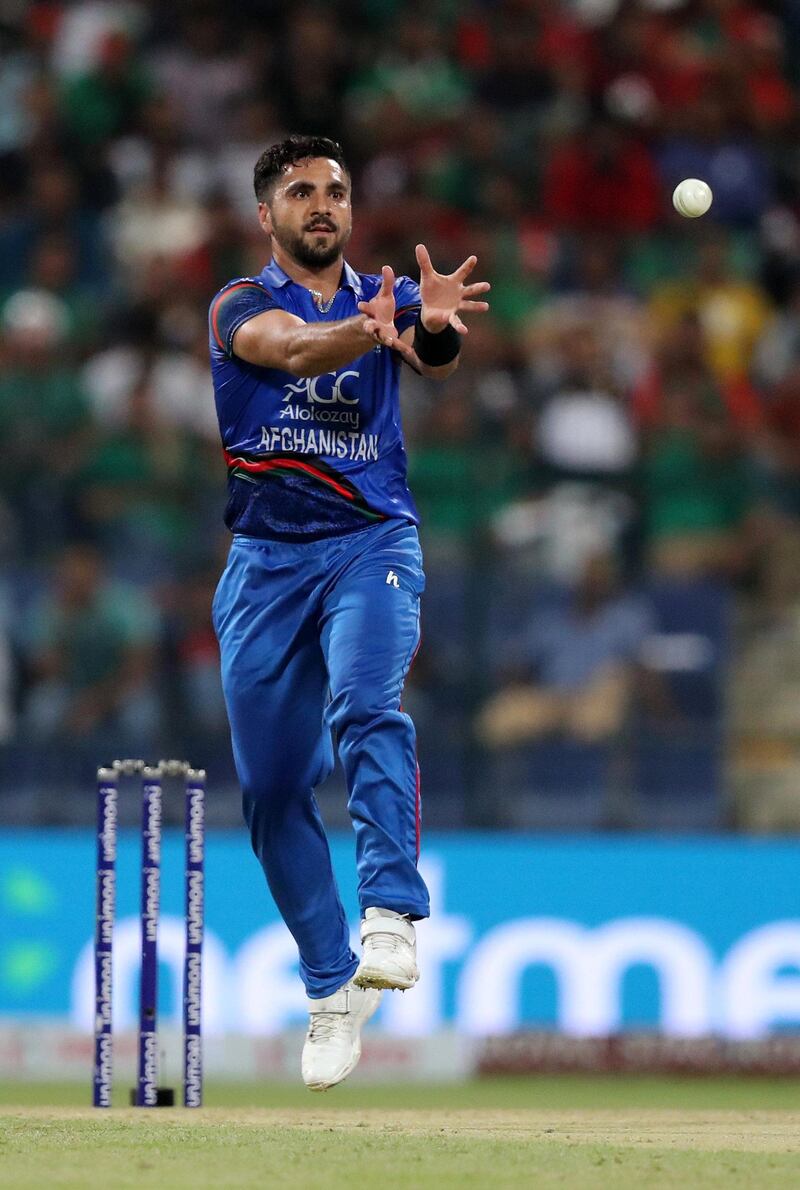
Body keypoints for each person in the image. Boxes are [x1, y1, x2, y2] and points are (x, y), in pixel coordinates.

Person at [208, 135, 489, 1091]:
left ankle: (392, 915)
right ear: (267, 215)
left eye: (335, 191)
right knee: (273, 792)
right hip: (265, 566)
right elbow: (290, 353)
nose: (322, 205)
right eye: (301, 192)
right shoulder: (238, 307)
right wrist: (374, 330)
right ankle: (332, 989)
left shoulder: (386, 293)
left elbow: (438, 352)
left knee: (367, 705)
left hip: (373, 543)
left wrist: (434, 324)